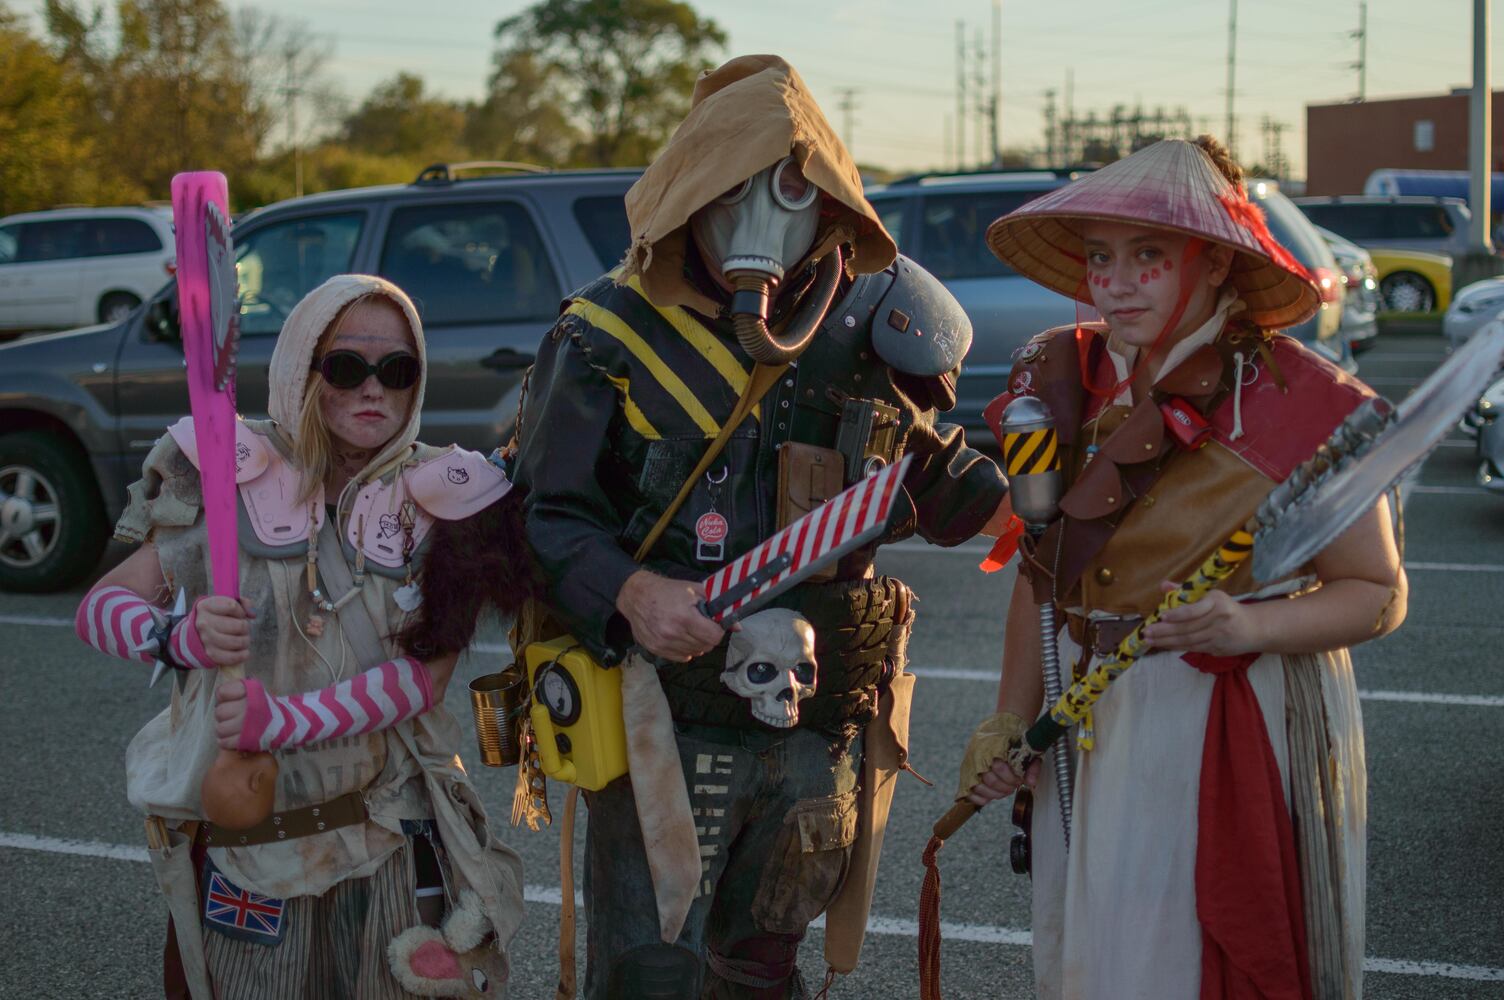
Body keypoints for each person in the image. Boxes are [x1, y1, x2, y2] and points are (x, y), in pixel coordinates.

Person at [512, 55, 1012, 998]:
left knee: (763, 971)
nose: (761, 219)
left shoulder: (882, 320)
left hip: (815, 730)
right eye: (730, 189)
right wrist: (627, 589)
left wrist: (1041, 496)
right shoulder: (606, 332)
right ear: (689, 189)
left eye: (788, 189)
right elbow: (544, 515)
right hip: (663, 720)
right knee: (651, 972)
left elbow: (934, 474)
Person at [956, 137, 1406, 999]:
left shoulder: (1301, 398)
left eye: (1148, 257)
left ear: (1215, 266)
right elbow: (1040, 574)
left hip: (1225, 713)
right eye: (1100, 257)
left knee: (1184, 961)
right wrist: (1008, 719)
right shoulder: (1060, 378)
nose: (1115, 282)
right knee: (1091, 956)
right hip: (1085, 707)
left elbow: (1377, 593)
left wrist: (1250, 623)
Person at [74, 274, 527, 999]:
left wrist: (281, 721)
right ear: (301, 370)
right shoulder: (230, 473)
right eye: (347, 368)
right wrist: (178, 636)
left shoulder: (447, 497)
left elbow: (423, 680)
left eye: (398, 370)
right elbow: (100, 608)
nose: (374, 390)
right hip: (253, 843)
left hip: (389, 834)